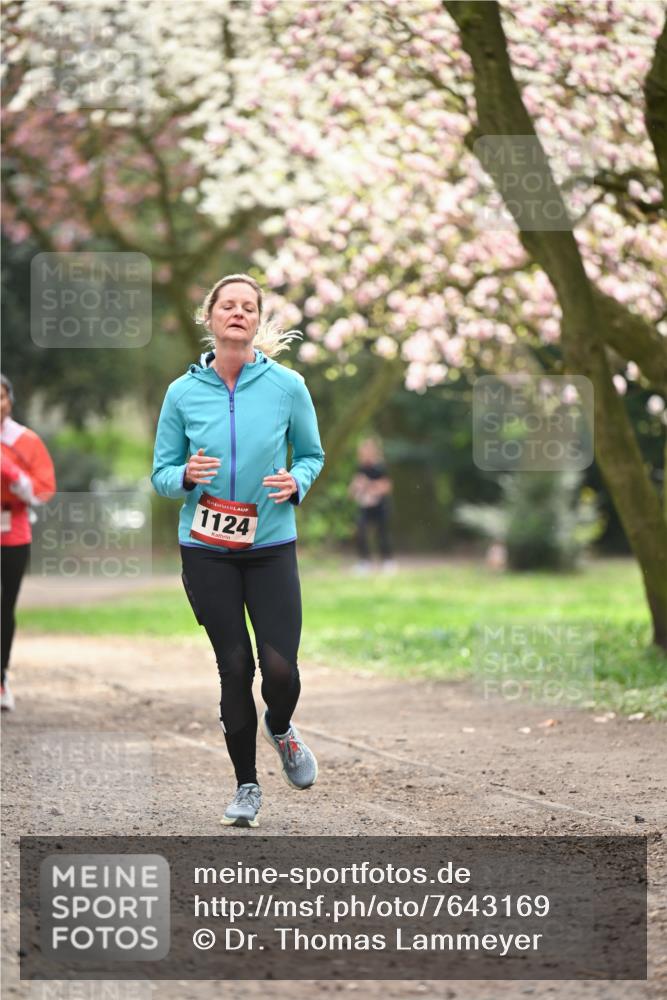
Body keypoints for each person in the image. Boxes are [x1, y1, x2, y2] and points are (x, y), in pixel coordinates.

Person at [152, 274, 325, 828]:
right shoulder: (182, 394)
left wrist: (296, 482)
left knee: (279, 668)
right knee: (234, 666)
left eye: (248, 307)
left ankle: (281, 726)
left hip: (270, 542)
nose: (238, 313)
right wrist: (185, 475)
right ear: (210, 317)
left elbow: (312, 455)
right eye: (228, 305)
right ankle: (246, 787)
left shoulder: (287, 386)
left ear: (256, 320)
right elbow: (159, 473)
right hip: (205, 547)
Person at [1, 374, 56, 711]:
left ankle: (1, 676)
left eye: (1, 396)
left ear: (10, 401)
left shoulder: (26, 441)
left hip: (12, 530)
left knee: (5, 606)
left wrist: (12, 473)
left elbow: (42, 492)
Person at [348, 436, 395, 573]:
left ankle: (388, 562)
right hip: (365, 506)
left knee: (383, 534)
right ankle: (364, 562)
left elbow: (386, 486)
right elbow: (353, 489)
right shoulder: (360, 468)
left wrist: (368, 484)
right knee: (360, 532)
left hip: (381, 507)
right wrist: (355, 488)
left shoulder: (380, 467)